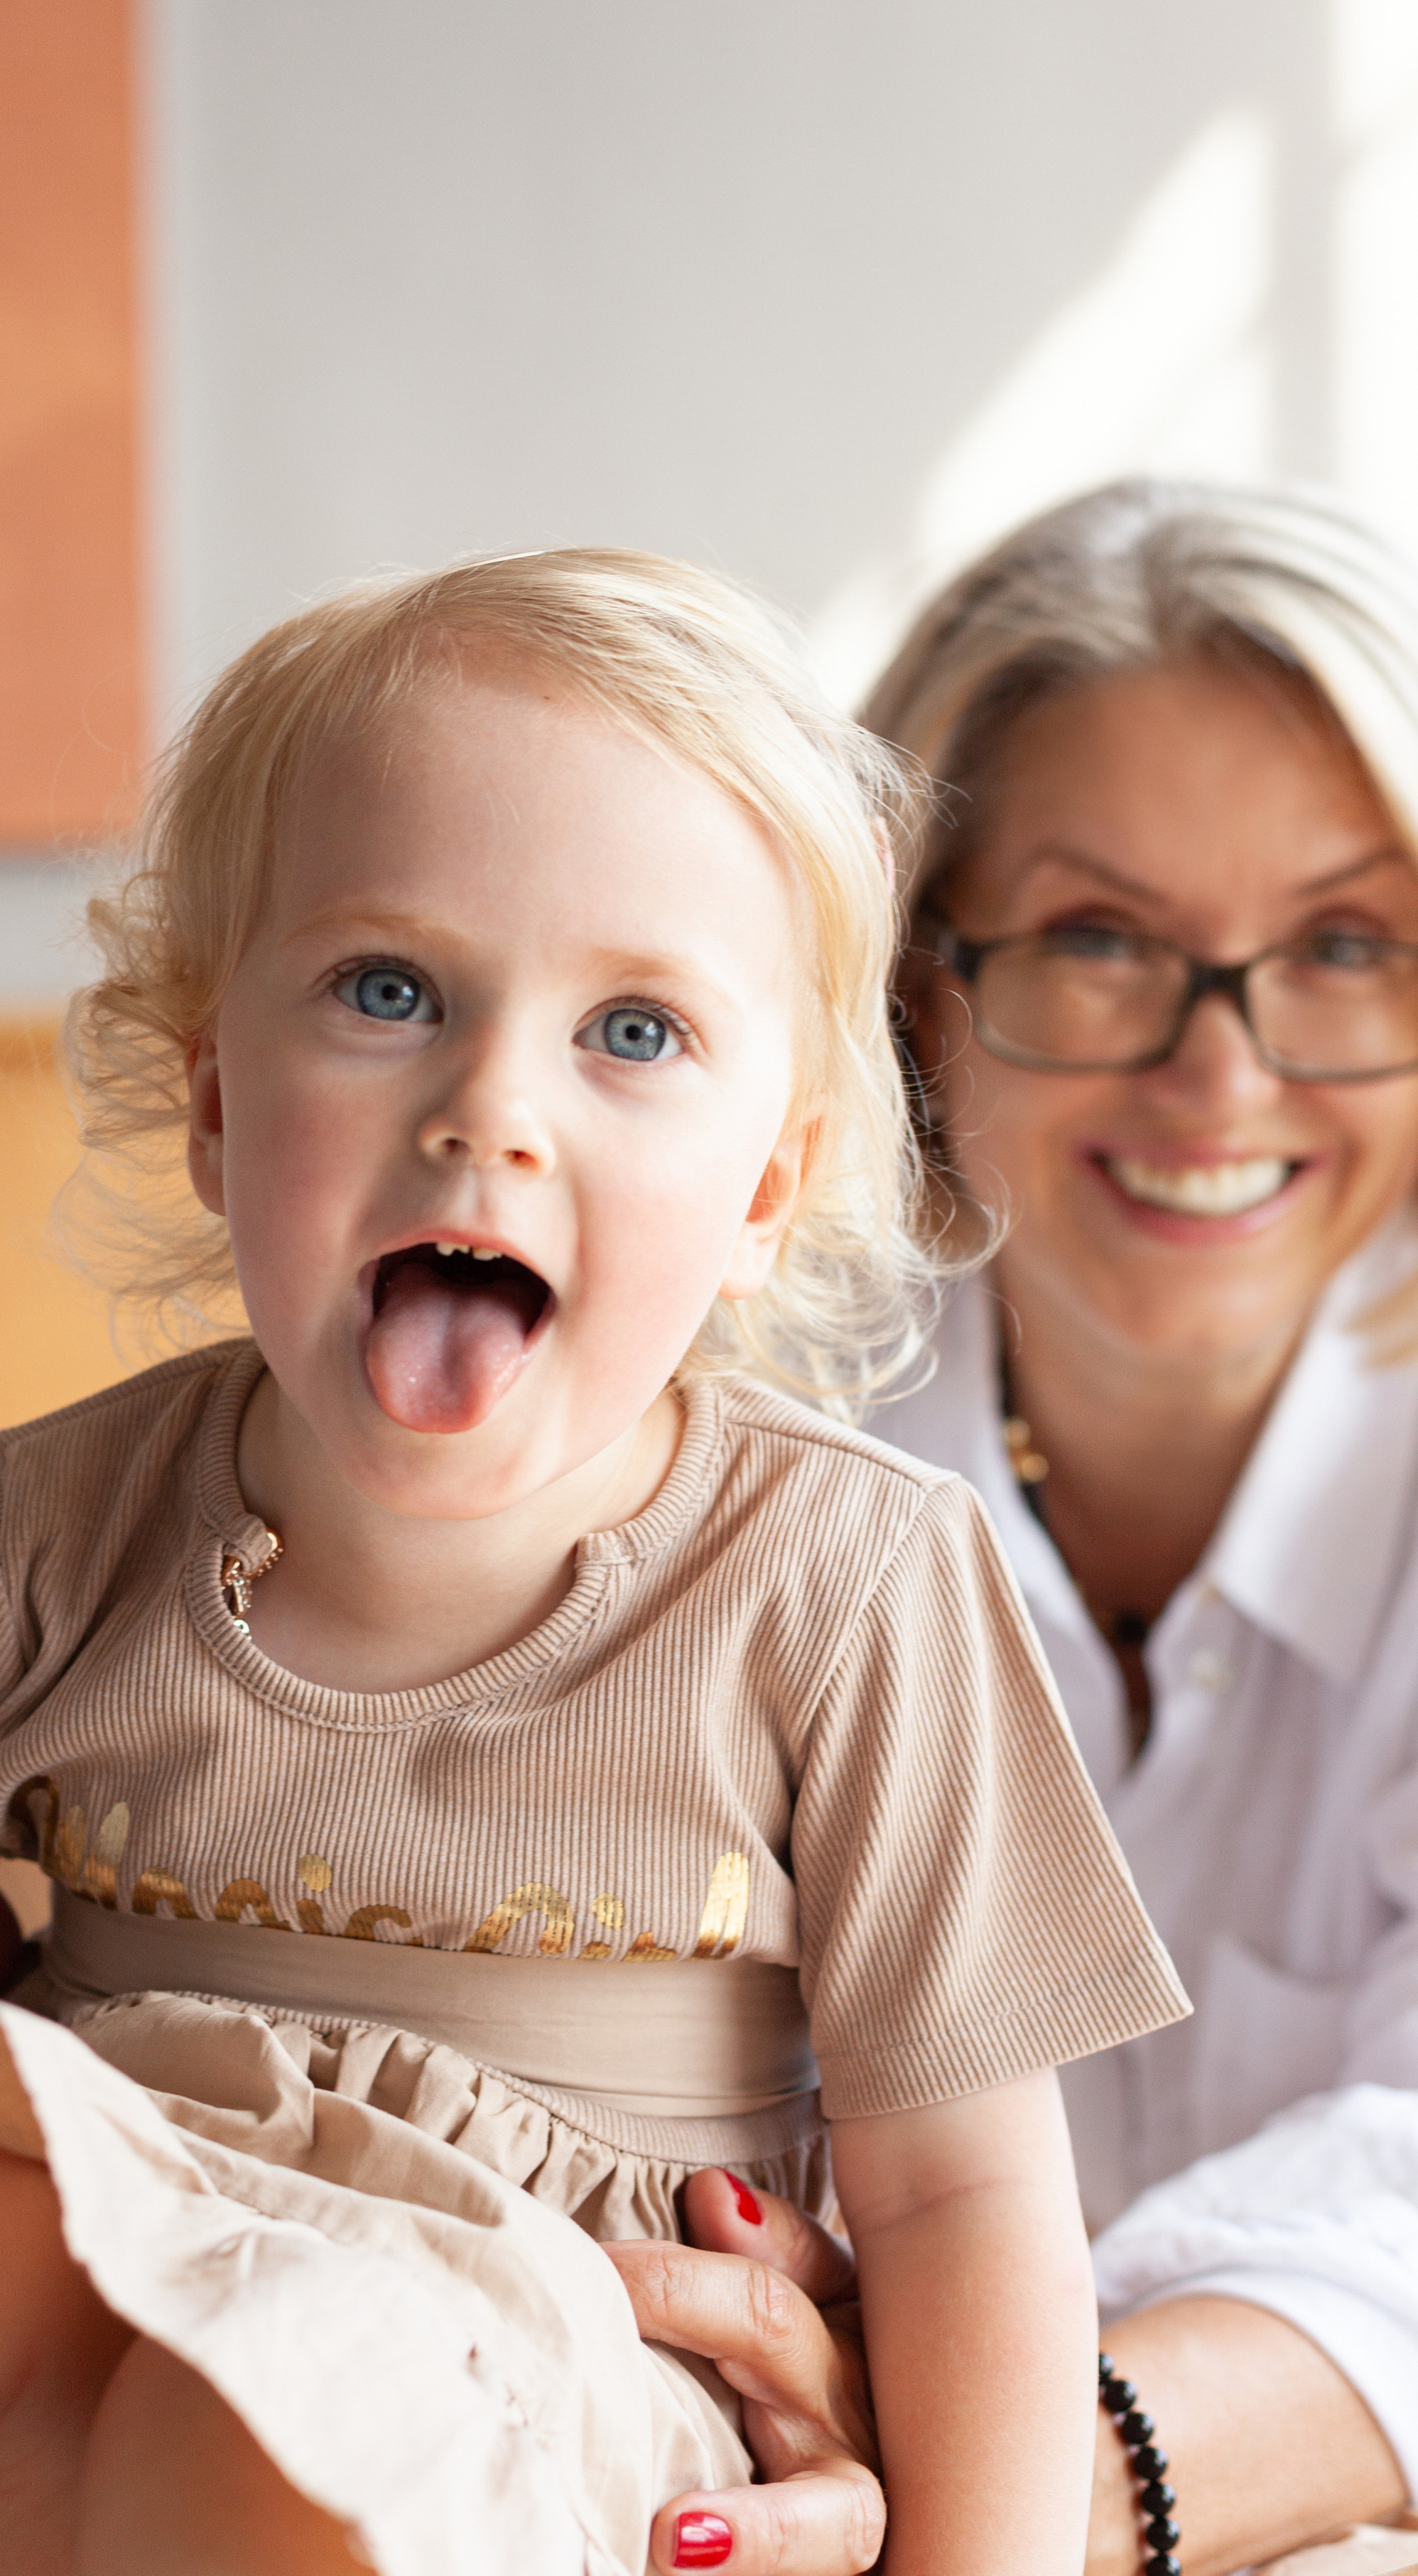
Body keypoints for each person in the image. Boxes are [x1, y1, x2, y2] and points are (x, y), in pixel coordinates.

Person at [0, 549, 1186, 2576]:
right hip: (86, 2257)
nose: (487, 1111)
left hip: (539, 2359)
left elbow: (967, 2197)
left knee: (269, 2381)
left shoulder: (847, 1581)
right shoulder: (43, 1527)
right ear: (213, 1098)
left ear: (766, 1192)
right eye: (388, 992)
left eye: (632, 1030)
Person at [623, 479, 1418, 2576]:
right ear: (905, 988)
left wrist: (1031, 2475)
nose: (1218, 1078)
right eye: (1098, 939)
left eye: (1349, 947)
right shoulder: (688, 1473)